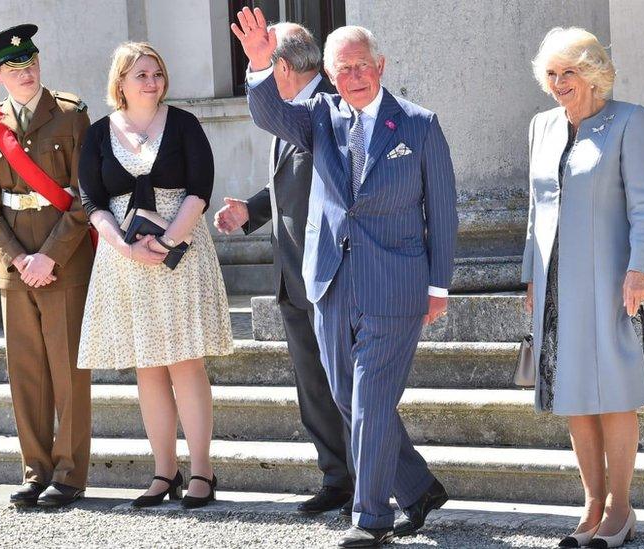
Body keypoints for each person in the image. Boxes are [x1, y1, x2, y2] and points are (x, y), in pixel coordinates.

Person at [232, 8, 458, 547]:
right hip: (332, 280)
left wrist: (438, 285)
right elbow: (269, 113)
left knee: (373, 398)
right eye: (344, 69)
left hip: (396, 283)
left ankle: (371, 517)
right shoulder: (319, 118)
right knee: (346, 394)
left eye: (363, 64)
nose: (355, 75)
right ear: (331, 76)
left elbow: (443, 210)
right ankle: (419, 487)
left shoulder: (419, 125)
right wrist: (262, 64)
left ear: (380, 65)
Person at [521, 27, 644, 549]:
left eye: (571, 72)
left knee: (615, 392)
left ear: (594, 73)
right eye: (553, 74)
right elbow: (535, 209)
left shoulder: (628, 120)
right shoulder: (540, 126)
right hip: (555, 280)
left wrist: (639, 268)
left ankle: (622, 510)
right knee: (574, 396)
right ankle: (592, 504)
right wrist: (530, 278)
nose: (560, 82)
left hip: (611, 280)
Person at [76, 42, 234, 510]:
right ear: (120, 82)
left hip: (180, 249)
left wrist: (168, 243)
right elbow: (92, 203)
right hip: (125, 259)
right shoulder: (100, 133)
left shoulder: (183, 123)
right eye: (141, 74)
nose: (152, 81)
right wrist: (125, 247)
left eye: (157, 73)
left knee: (186, 363)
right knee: (148, 367)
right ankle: (165, 471)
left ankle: (203, 471)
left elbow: (200, 189)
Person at [214, 22, 355, 517]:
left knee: (343, 384)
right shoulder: (297, 110)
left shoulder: (335, 106)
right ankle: (336, 478)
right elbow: (294, 183)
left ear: (281, 67)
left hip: (331, 275)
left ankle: (368, 481)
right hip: (292, 271)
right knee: (312, 384)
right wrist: (252, 210)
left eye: (262, 61)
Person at [0, 23, 94, 508]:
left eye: (32, 63)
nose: (27, 73)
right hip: (16, 267)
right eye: (15, 68)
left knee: (68, 373)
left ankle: (69, 474)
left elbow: (87, 195)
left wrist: (50, 256)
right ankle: (35, 471)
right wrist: (20, 259)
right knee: (26, 375)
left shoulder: (70, 115)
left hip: (63, 261)